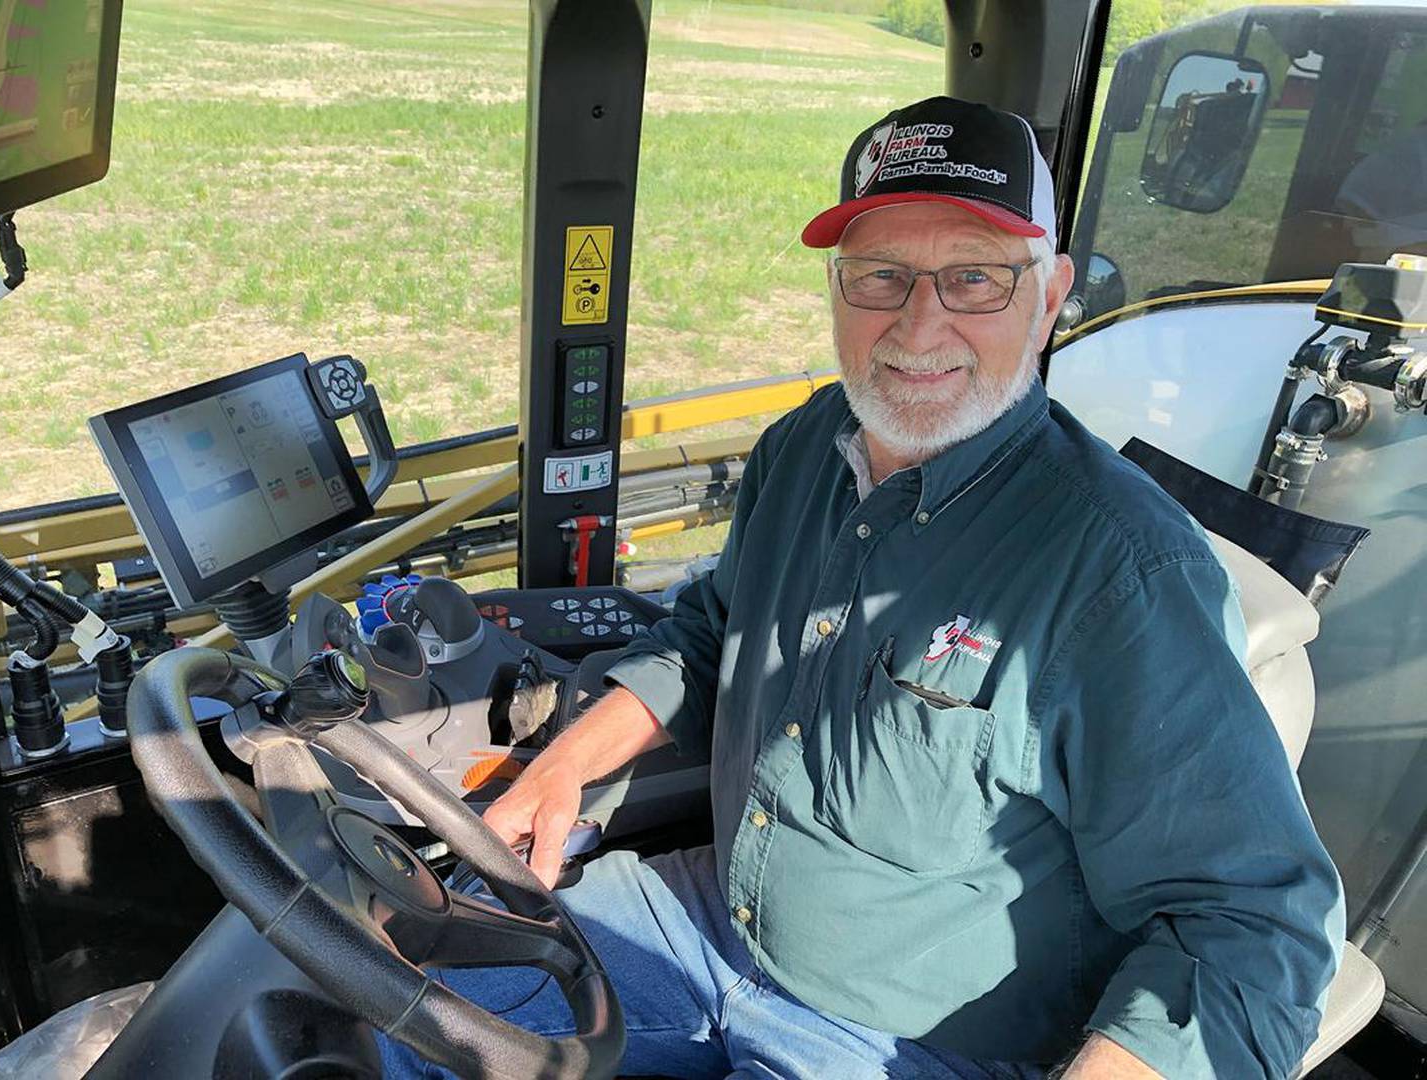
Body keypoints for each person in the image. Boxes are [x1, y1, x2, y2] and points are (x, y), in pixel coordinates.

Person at [380, 96, 1343, 1079]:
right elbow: (715, 630)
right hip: (721, 924)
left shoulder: (1123, 576)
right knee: (411, 1018)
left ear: (1049, 297)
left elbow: (1257, 930)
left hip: (921, 1040)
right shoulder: (801, 450)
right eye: (882, 275)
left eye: (973, 278)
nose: (919, 325)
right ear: (840, 291)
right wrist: (564, 765)